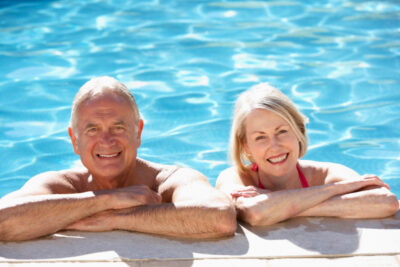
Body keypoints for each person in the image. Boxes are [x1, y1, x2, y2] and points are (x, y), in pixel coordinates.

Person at [0, 76, 236, 241]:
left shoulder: (170, 180)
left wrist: (116, 218)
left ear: (138, 132)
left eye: (118, 127)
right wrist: (107, 199)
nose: (107, 140)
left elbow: (220, 217)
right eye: (92, 129)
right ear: (74, 140)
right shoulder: (61, 185)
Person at [216, 83, 399, 226]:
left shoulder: (327, 174)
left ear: (299, 131)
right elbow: (255, 213)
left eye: (282, 131)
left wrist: (279, 206)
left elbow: (386, 202)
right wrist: (335, 190)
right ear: (245, 145)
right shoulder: (234, 177)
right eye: (260, 137)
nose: (275, 146)